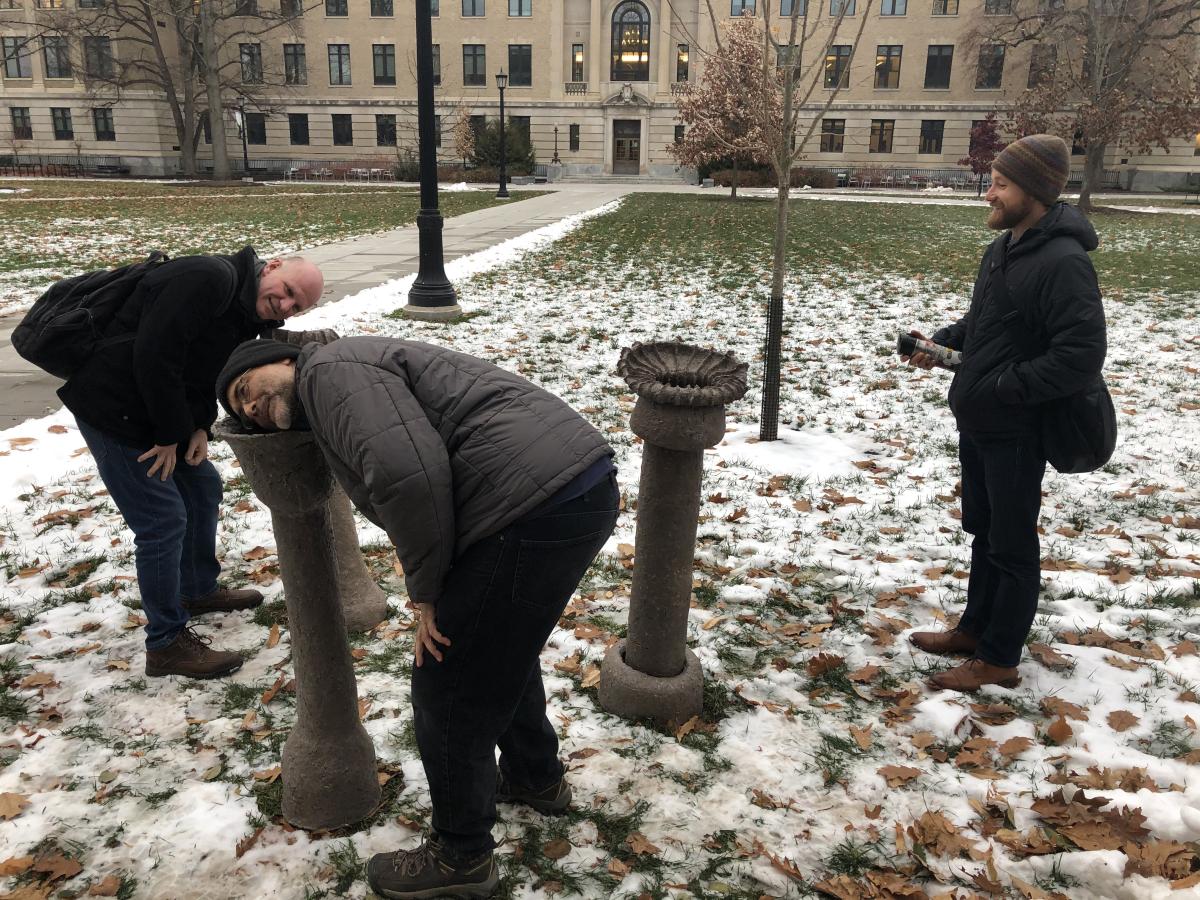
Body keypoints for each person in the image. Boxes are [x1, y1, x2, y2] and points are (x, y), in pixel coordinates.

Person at [217, 336, 618, 900]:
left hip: (531, 501)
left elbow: (409, 473)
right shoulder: (343, 368)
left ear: (278, 358)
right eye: (243, 413)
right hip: (564, 488)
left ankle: (462, 858)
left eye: (246, 390)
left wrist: (425, 591)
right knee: (494, 645)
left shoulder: (326, 370)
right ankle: (535, 776)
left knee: (447, 682)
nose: (251, 408)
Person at [58, 248, 324, 680]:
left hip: (152, 406)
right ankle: (165, 643)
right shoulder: (207, 278)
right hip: (111, 406)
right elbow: (155, 355)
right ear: (272, 266)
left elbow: (205, 372)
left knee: (202, 489)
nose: (287, 306)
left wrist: (198, 427)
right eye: (289, 292)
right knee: (162, 519)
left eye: (299, 306)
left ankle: (196, 589)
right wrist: (168, 435)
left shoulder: (247, 311)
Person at [902, 134, 1106, 692]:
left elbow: (1080, 358)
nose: (988, 191)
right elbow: (985, 325)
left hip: (1017, 429)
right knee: (984, 531)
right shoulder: (1005, 248)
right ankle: (974, 630)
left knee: (1013, 545)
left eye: (1001, 183)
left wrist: (1001, 386)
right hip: (983, 422)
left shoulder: (1064, 262)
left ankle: (999, 658)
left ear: (1035, 192)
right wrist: (940, 342)